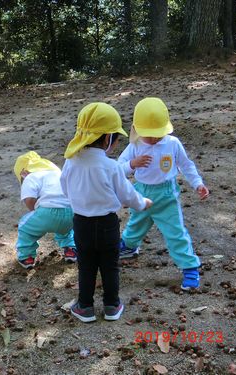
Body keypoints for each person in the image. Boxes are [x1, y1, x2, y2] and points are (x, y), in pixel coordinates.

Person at [60, 102, 152, 323]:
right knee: (110, 266)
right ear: (107, 138)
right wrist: (143, 203)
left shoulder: (71, 161)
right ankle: (112, 306)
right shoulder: (110, 166)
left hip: (81, 223)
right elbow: (127, 194)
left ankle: (85, 307)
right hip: (108, 224)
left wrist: (78, 201)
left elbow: (64, 186)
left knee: (86, 266)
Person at [118, 97, 209, 291]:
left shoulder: (173, 143)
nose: (153, 139)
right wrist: (132, 164)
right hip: (141, 194)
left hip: (167, 196)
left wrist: (197, 183)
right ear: (136, 129)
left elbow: (186, 165)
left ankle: (190, 267)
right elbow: (117, 169)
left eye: (157, 134)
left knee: (176, 233)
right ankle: (129, 246)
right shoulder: (135, 145)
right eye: (148, 135)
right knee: (135, 223)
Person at [13, 151, 77, 269]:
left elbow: (29, 199)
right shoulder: (56, 174)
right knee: (65, 230)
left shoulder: (30, 177)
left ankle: (26, 256)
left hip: (46, 213)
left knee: (24, 227)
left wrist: (35, 211)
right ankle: (71, 249)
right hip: (71, 212)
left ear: (23, 173)